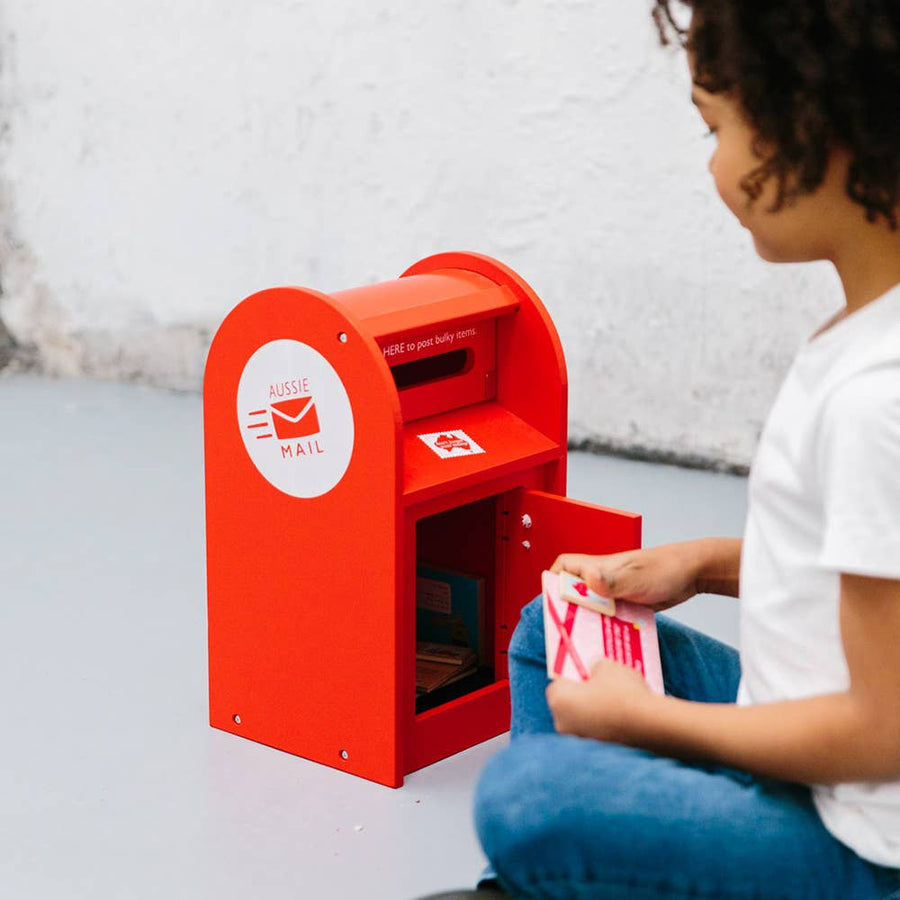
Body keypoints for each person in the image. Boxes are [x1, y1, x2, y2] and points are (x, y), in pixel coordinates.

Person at [469, 2, 900, 898]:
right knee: (548, 633)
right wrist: (704, 566)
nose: (711, 165)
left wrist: (654, 724)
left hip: (856, 845)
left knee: (524, 796)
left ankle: (566, 859)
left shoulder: (876, 399)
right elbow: (871, 570)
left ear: (816, 132)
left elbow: (884, 727)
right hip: (815, 755)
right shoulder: (868, 337)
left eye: (717, 129)